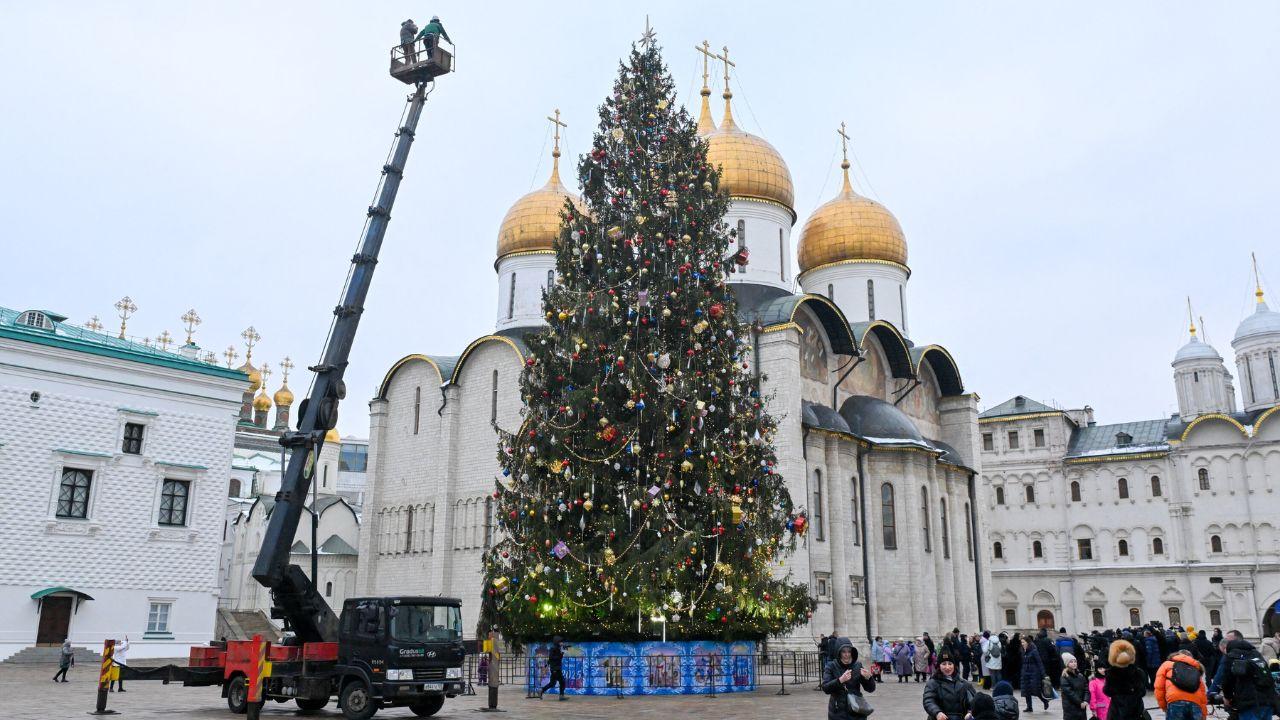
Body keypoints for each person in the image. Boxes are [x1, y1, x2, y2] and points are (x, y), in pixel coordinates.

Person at [1220, 637, 1277, 720]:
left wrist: (1227, 697)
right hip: (1267, 701)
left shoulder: (1231, 657)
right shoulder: (1257, 654)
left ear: (1227, 648)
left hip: (1248, 703)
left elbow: (1227, 681)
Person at [821, 637, 876, 720]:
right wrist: (840, 680)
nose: (847, 654)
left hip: (857, 710)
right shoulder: (831, 666)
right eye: (843, 652)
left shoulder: (857, 665)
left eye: (849, 651)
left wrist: (868, 678)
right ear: (838, 652)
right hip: (838, 711)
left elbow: (870, 689)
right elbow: (825, 688)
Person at [1154, 649, 1208, 720]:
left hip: (1175, 700)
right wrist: (1203, 714)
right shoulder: (1195, 669)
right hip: (1195, 702)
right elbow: (1202, 693)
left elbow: (1159, 687)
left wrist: (1163, 706)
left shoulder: (1166, 665)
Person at [923, 650, 978, 720]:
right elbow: (928, 700)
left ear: (954, 665)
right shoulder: (932, 683)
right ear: (939, 666)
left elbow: (974, 701)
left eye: (950, 663)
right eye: (944, 664)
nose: (947, 667)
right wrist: (937, 713)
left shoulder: (965, 684)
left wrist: (970, 712)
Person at [1102, 639, 1147, 720]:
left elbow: (1107, 691)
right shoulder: (1139, 672)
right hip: (1136, 711)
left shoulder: (1111, 673)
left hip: (1118, 712)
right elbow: (1142, 692)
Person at [1020, 636, 1048, 713]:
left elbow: (1039, 663)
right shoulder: (1023, 651)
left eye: (1023, 642)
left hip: (1034, 673)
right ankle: (1029, 707)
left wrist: (1044, 674)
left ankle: (1044, 701)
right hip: (1025, 673)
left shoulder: (1034, 651)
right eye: (1021, 642)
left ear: (1027, 642)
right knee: (1026, 691)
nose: (1022, 644)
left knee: (1036, 690)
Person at [1060, 653, 1089, 720]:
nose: (1074, 663)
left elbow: (1086, 689)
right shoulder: (1065, 677)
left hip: (1082, 706)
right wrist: (1080, 702)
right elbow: (1069, 693)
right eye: (1071, 662)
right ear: (1067, 664)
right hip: (1071, 708)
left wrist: (1085, 700)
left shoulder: (1080, 676)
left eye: (1075, 661)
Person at [537, 636, 567, 700]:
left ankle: (541, 690)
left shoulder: (558, 648)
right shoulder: (553, 648)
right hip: (555, 668)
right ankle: (561, 696)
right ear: (557, 642)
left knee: (552, 683)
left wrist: (561, 652)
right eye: (561, 642)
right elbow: (551, 658)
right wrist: (561, 654)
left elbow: (555, 658)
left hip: (555, 668)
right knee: (562, 682)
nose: (562, 643)